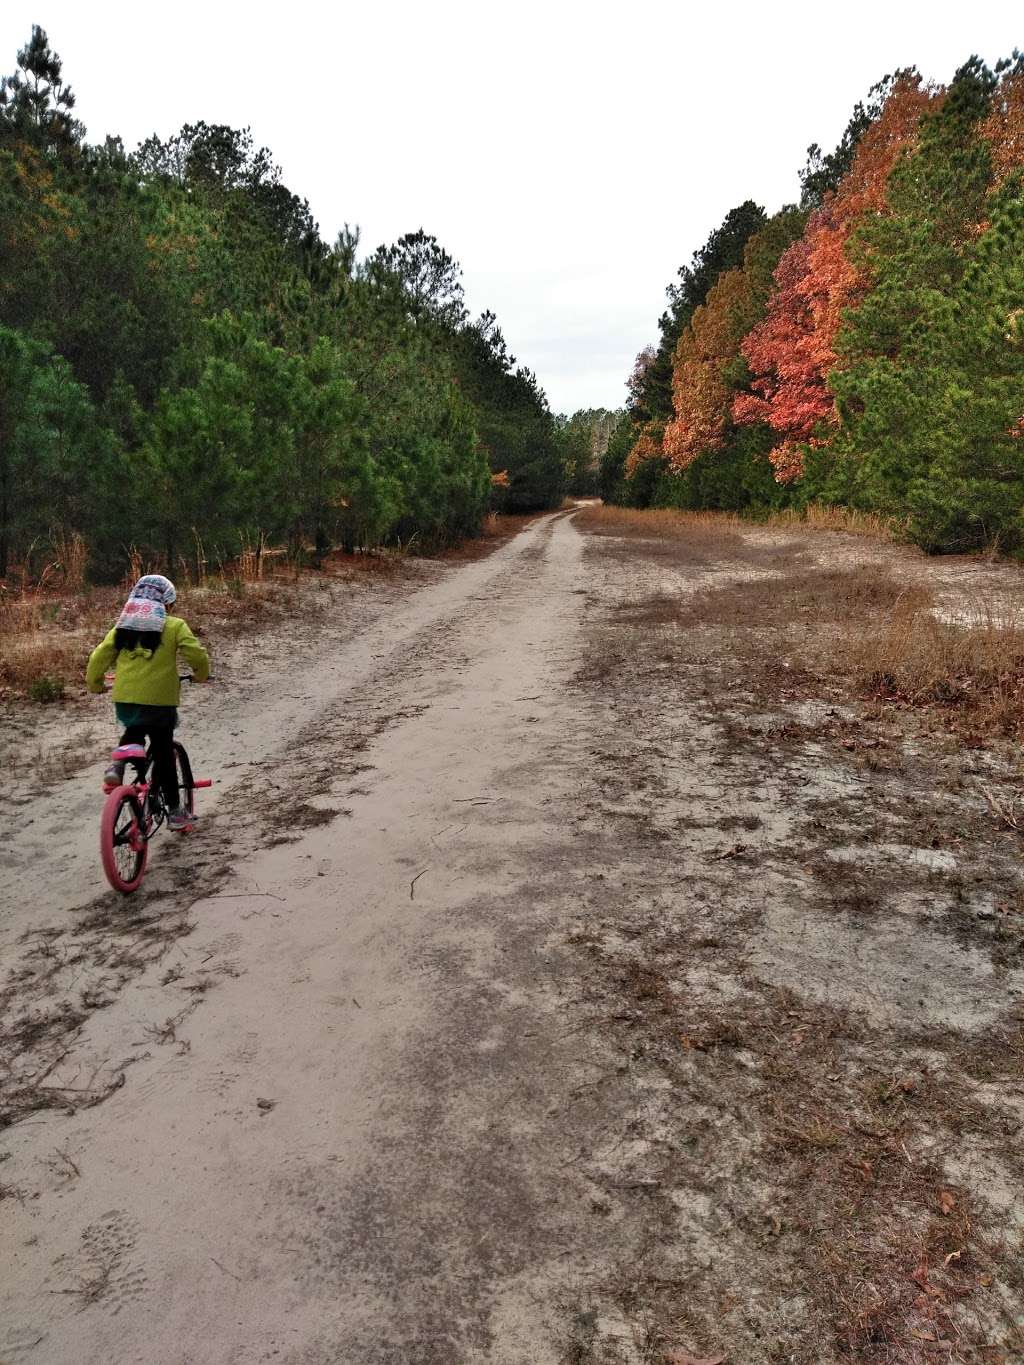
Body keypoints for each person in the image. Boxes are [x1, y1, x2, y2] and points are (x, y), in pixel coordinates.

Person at [86, 574, 210, 831]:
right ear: (167, 604)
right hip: (160, 702)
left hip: (125, 699)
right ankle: (176, 811)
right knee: (164, 752)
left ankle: (117, 765)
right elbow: (196, 653)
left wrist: (95, 684)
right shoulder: (174, 626)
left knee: (135, 727)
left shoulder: (121, 628)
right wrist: (201, 674)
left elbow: (99, 657)